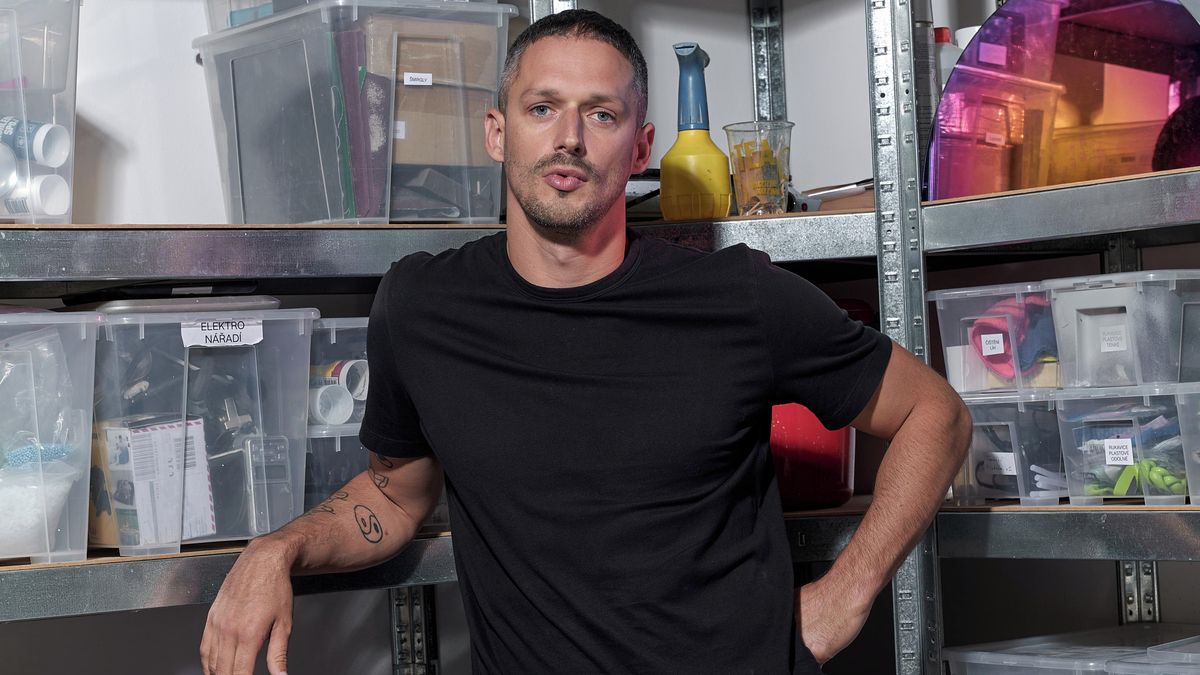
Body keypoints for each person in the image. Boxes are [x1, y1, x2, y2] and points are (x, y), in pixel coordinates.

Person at [200, 10, 970, 675]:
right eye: (542, 107)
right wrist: (277, 549)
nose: (568, 138)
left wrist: (847, 595)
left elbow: (934, 414)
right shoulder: (422, 307)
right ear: (497, 132)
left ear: (640, 147)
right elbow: (395, 493)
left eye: (601, 114)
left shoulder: (735, 297)